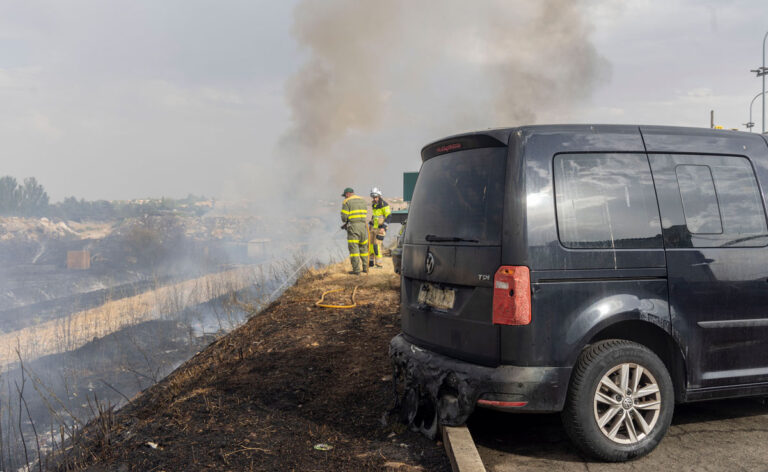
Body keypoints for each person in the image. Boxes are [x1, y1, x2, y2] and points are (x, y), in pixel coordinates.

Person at [340, 187, 369, 275]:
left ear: (347, 194)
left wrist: (347, 222)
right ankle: (365, 268)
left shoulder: (347, 201)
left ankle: (356, 271)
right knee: (364, 248)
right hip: (363, 227)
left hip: (353, 228)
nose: (345, 198)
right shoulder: (363, 200)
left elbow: (344, 218)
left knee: (354, 249)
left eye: (345, 196)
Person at [369, 187, 391, 268]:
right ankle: (371, 263)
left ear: (379, 196)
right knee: (371, 245)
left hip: (381, 229)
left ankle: (379, 264)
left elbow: (389, 217)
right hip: (373, 228)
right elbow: (375, 216)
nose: (374, 198)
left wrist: (383, 228)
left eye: (375, 197)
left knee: (376, 246)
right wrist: (370, 224)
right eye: (373, 197)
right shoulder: (374, 205)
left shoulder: (384, 205)